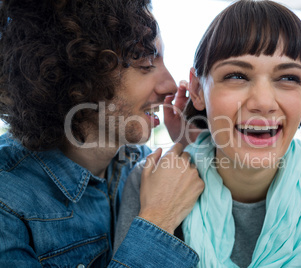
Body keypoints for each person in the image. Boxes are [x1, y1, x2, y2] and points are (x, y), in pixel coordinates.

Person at [115, 0, 301, 267]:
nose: (263, 102)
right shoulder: (148, 182)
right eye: (236, 76)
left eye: (288, 78)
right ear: (198, 91)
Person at [0, 0, 204, 267]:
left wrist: (194, 148)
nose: (169, 84)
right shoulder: (7, 201)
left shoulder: (143, 164)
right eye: (144, 63)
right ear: (78, 71)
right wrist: (158, 220)